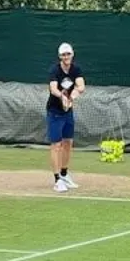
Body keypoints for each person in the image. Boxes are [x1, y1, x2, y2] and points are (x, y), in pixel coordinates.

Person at [46, 42, 86, 192]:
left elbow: (81, 85)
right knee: (56, 146)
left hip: (68, 112)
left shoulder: (76, 69)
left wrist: (75, 93)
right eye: (63, 55)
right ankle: (57, 180)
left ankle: (64, 174)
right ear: (59, 57)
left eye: (68, 54)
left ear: (72, 55)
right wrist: (62, 96)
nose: (66, 57)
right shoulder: (55, 70)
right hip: (55, 112)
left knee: (68, 143)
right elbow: (53, 88)